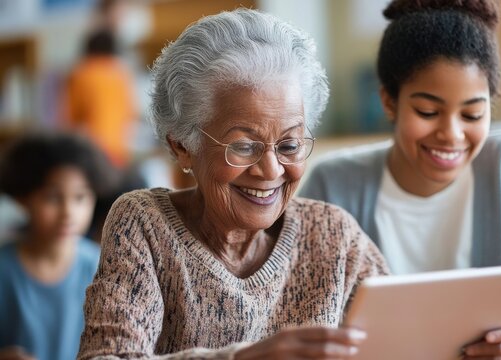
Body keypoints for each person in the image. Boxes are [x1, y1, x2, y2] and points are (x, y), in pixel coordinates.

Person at [77, 8, 388, 360]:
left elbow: (407, 338)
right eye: (243, 146)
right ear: (183, 147)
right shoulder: (145, 226)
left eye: (288, 146)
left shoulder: (334, 236)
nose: (270, 170)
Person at [299, 0, 501, 354]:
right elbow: (305, 325)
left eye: (472, 114)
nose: (451, 134)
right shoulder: (334, 183)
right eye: (427, 111)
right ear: (389, 102)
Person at [0, 132, 114, 360]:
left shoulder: (102, 267)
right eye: (52, 198)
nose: (68, 212)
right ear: (23, 198)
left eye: (80, 197)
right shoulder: (4, 270)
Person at [62, 26, 138, 168]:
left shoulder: (80, 74)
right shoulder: (122, 75)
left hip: (90, 152)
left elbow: (70, 119)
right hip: (118, 152)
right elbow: (130, 114)